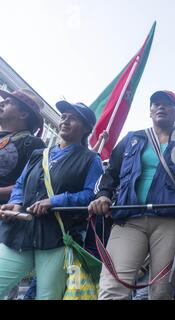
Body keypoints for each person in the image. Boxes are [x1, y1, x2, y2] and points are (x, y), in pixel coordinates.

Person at [88, 90, 175, 300]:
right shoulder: (132, 139)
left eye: (167, 104)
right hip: (129, 218)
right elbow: (111, 174)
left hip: (171, 221)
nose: (161, 107)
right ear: (150, 111)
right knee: (112, 288)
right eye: (156, 104)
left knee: (161, 291)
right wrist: (103, 195)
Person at [0, 101, 103, 299]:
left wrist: (54, 201)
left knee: (48, 295)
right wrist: (16, 203)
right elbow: (21, 184)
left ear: (86, 128)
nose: (65, 121)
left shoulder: (91, 159)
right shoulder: (39, 154)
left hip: (55, 237)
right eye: (63, 116)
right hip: (19, 233)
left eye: (73, 118)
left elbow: (91, 196)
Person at [0, 89, 46, 205]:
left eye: (8, 102)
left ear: (23, 114)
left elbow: (31, 185)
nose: (2, 103)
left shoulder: (34, 144)